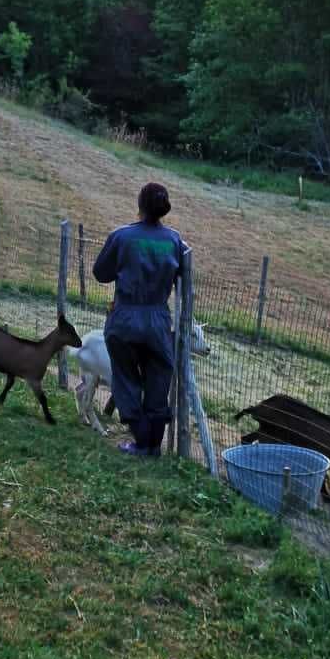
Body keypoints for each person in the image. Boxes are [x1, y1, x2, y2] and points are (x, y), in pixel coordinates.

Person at [91, 182, 186, 456]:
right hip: (158, 320)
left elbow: (101, 273)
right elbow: (182, 278)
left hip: (126, 318)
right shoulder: (175, 240)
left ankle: (141, 440)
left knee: (125, 378)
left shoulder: (122, 237)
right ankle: (154, 445)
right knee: (158, 379)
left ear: (140, 205)